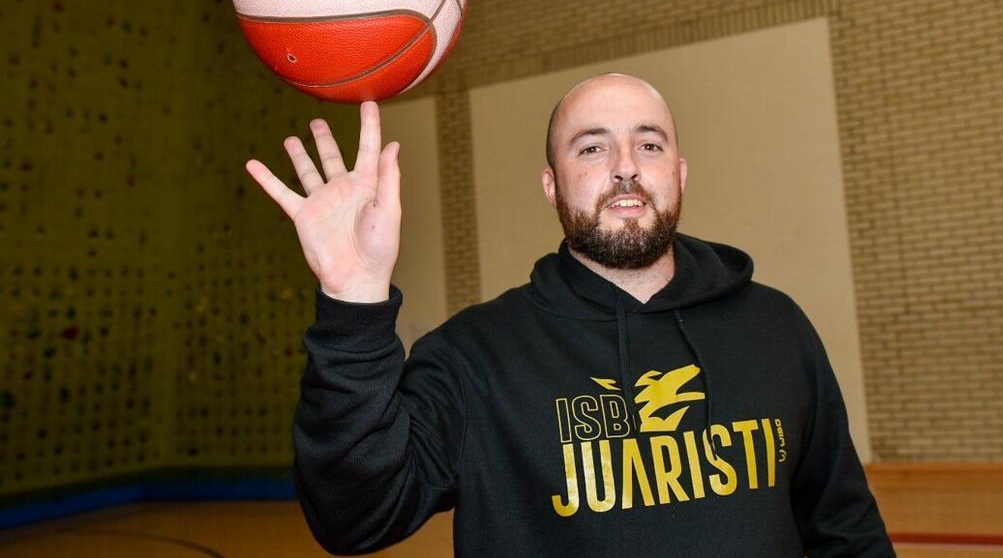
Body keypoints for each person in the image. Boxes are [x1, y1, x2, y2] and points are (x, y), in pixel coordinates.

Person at [245, 73, 895, 556]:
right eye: (591, 148)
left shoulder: (775, 327)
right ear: (552, 184)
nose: (624, 168)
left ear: (680, 172)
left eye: (649, 145)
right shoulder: (475, 357)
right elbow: (353, 516)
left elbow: (846, 530)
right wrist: (352, 302)